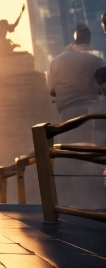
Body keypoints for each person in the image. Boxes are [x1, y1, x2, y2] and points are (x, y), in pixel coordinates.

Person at [48, 21, 106, 208]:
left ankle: (73, 201)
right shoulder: (95, 59)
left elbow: (51, 91)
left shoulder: (55, 61)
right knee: (91, 156)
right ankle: (94, 200)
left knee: (71, 154)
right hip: (91, 112)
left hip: (66, 114)